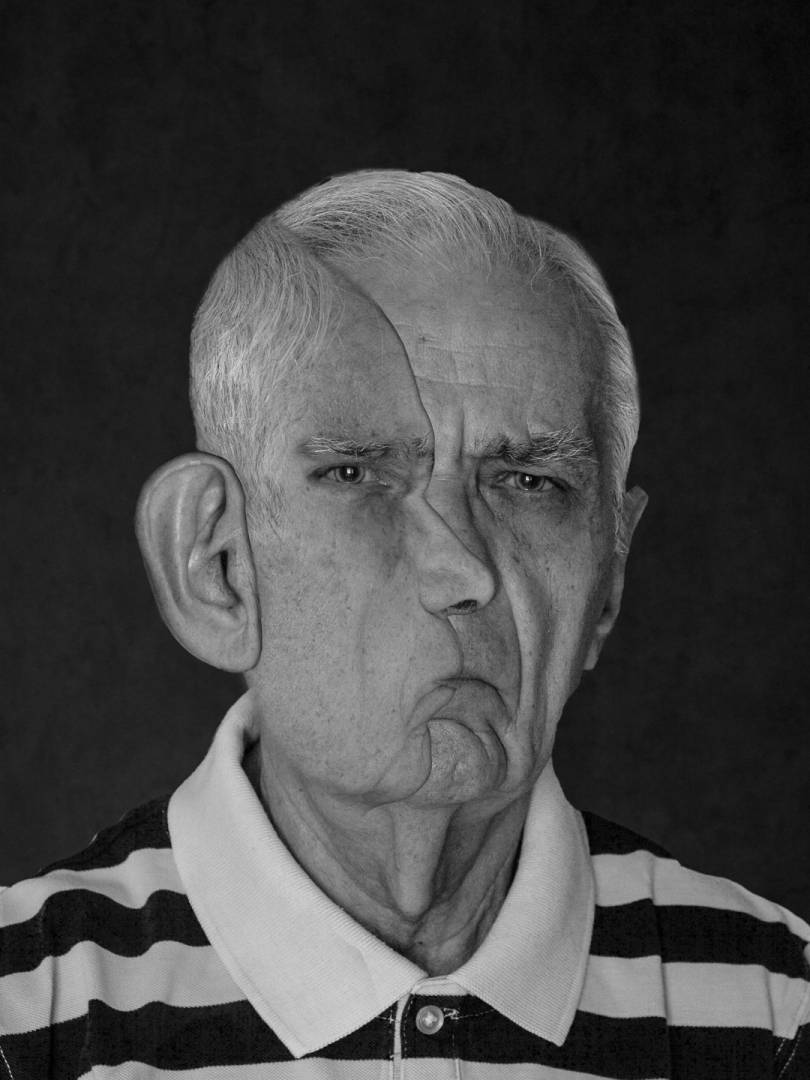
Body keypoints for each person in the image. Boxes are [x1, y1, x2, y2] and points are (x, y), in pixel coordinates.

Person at [1, 171, 807, 1078]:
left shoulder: (780, 1015)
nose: (464, 571)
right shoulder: (24, 1015)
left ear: (610, 573)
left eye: (528, 483)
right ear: (216, 563)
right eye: (358, 475)